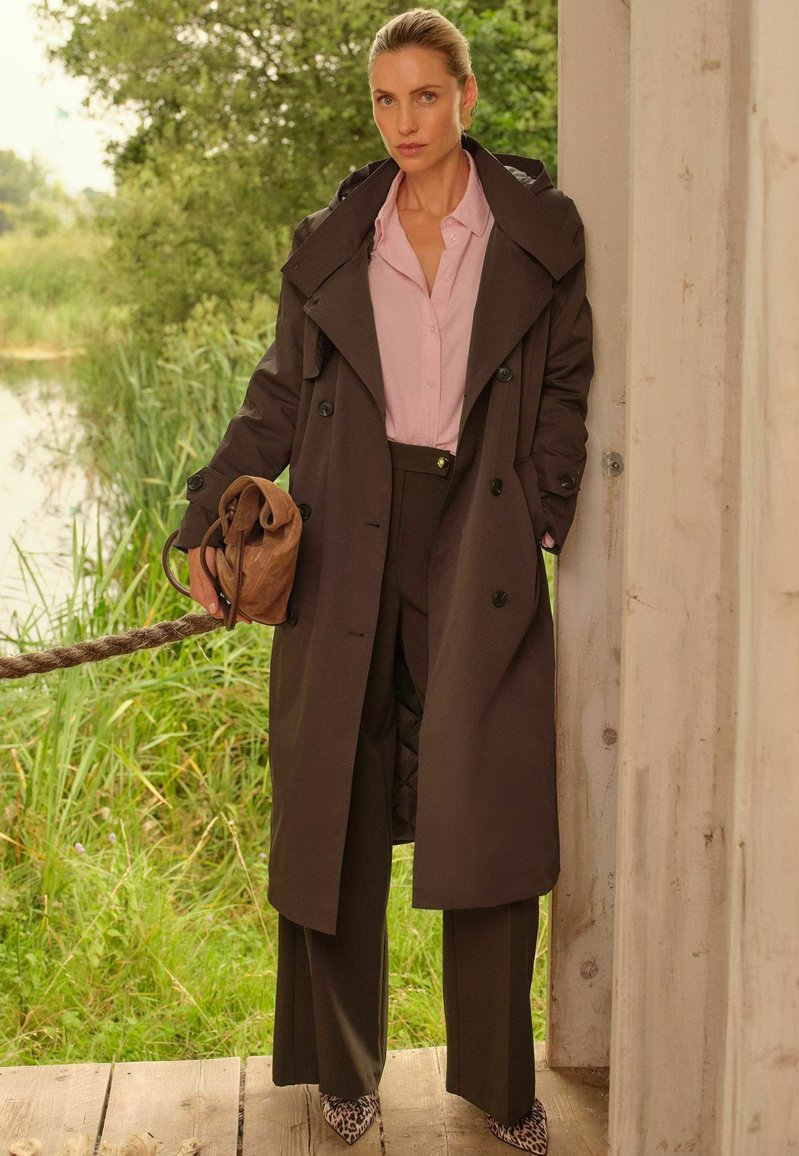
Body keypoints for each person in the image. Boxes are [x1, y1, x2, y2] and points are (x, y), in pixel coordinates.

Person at [174, 8, 592, 1151]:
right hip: (348, 528)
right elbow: (275, 395)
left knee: (488, 804)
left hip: (479, 531)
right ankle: (340, 1069)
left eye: (424, 95)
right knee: (336, 801)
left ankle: (499, 1083)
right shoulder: (332, 243)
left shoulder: (534, 233)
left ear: (465, 98)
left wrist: (542, 507)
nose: (403, 121)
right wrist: (201, 523)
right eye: (384, 99)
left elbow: (563, 384)